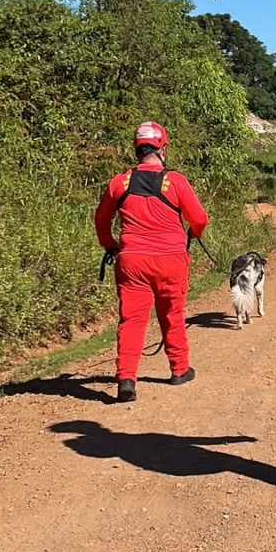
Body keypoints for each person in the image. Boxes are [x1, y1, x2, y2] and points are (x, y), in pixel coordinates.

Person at [95, 121, 208, 403]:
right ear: (162, 148)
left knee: (132, 321)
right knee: (171, 314)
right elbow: (199, 219)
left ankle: (126, 379)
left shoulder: (118, 182)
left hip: (131, 261)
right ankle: (179, 369)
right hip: (171, 260)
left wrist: (112, 246)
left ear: (136, 148)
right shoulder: (176, 181)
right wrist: (192, 234)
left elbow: (101, 221)